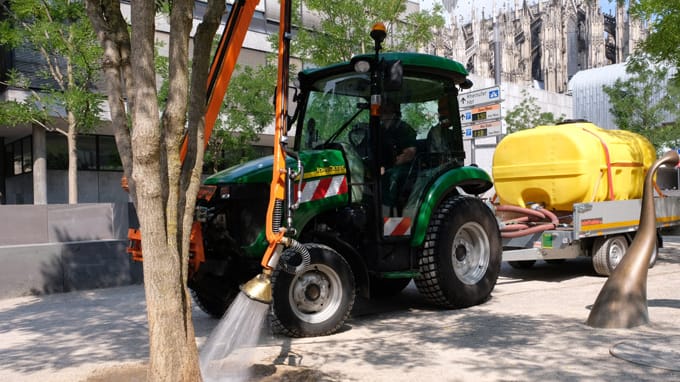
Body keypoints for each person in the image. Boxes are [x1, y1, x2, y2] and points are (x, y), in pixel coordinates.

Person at [380, 99, 416, 212]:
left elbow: (409, 153)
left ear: (394, 110)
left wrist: (386, 166)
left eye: (386, 105)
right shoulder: (378, 129)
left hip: (403, 167)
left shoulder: (405, 129)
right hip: (383, 165)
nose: (382, 107)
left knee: (391, 177)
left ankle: (391, 215)